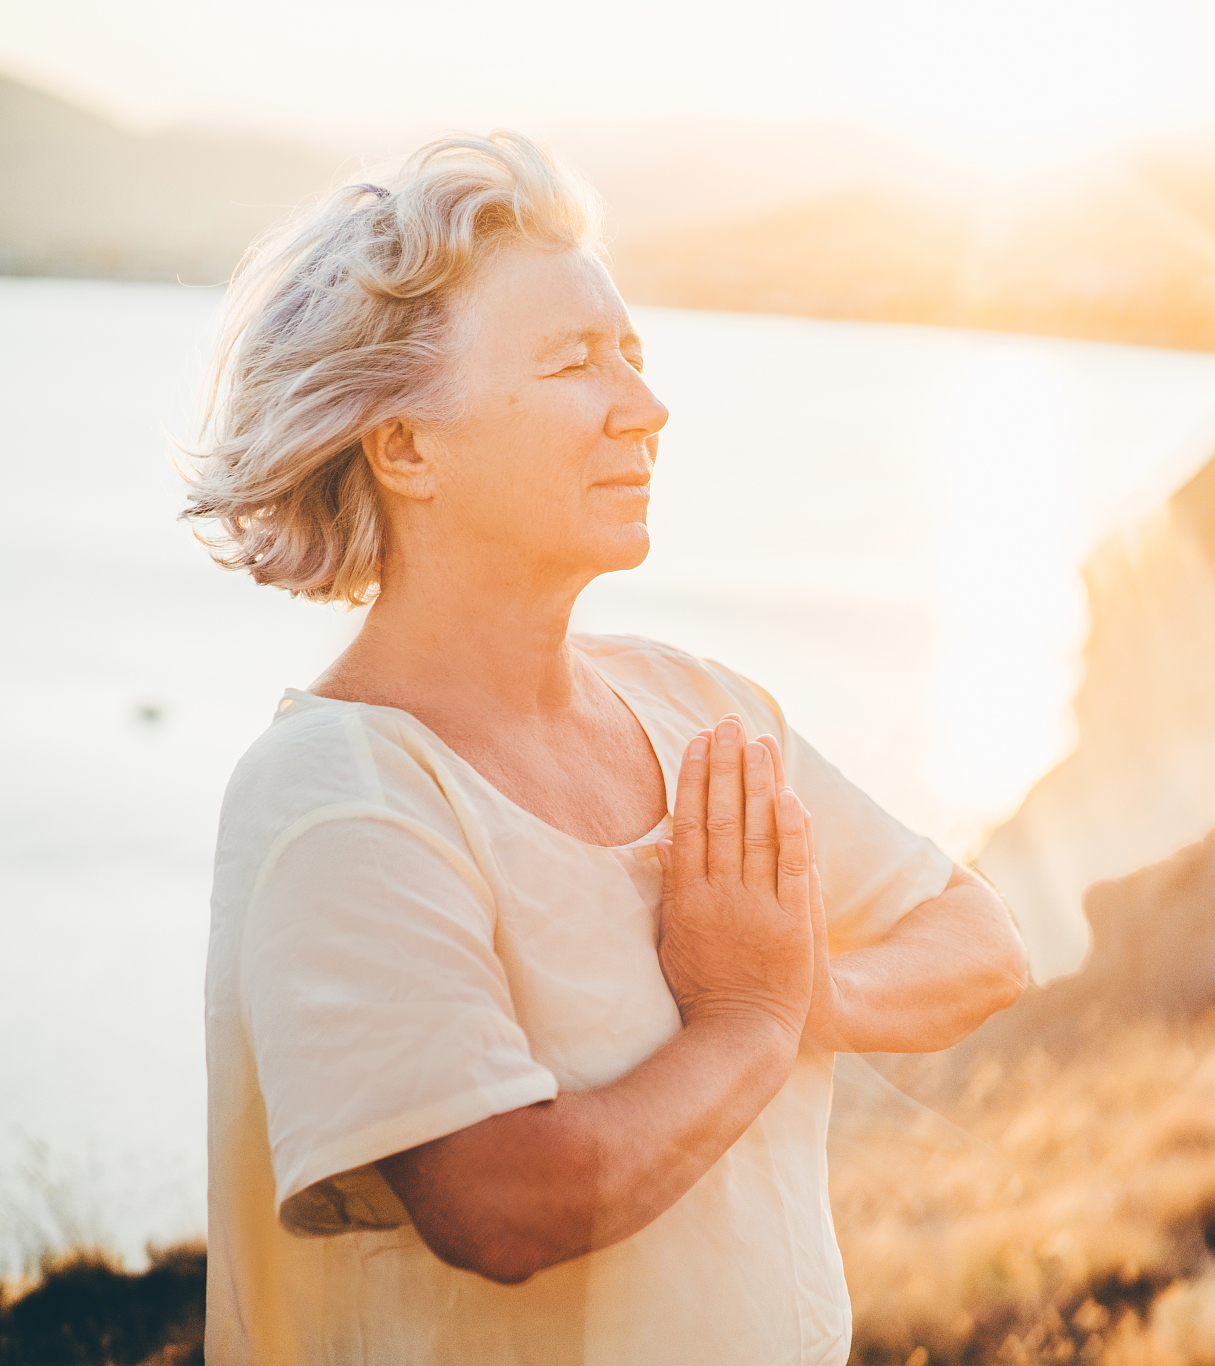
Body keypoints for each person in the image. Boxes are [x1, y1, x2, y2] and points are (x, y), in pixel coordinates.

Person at [184, 131, 1030, 1365]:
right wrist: (741, 1021)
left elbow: (980, 943)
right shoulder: (341, 797)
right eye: (577, 362)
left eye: (632, 353)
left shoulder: (696, 706)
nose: (646, 406)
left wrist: (801, 994)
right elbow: (503, 1202)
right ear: (404, 446)